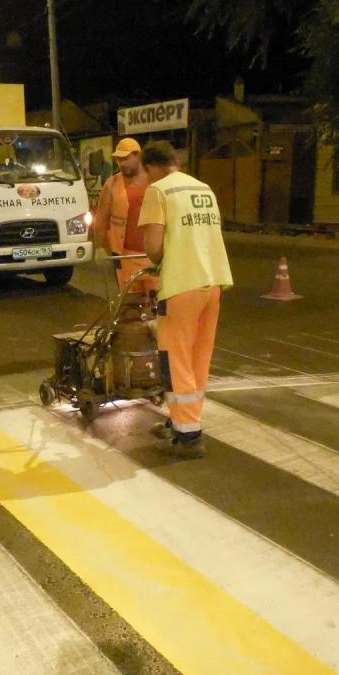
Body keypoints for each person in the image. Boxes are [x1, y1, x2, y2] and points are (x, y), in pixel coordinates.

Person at [137, 140, 233, 459]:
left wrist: (159, 258)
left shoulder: (158, 191)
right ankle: (182, 421)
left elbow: (153, 248)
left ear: (151, 168)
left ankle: (189, 438)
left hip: (180, 286)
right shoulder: (203, 188)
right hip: (212, 283)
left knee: (175, 361)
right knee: (197, 359)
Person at [92, 138, 157, 296]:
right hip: (124, 256)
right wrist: (99, 247)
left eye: (126, 158)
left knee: (158, 306)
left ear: (138, 156)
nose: (122, 163)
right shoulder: (112, 184)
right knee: (130, 304)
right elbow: (101, 219)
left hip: (154, 257)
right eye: (119, 159)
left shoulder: (155, 180)